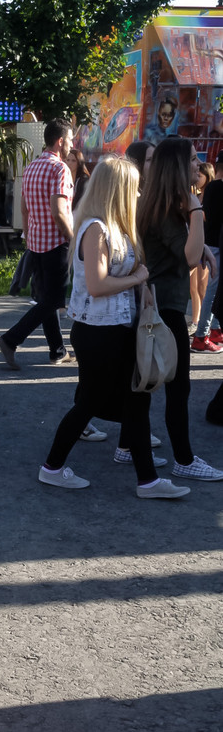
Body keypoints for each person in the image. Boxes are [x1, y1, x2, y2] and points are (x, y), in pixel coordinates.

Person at [38, 155, 189, 500]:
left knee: (136, 401)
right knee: (90, 402)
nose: (139, 194)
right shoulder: (96, 228)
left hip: (116, 328)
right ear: (118, 190)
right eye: (134, 188)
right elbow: (97, 284)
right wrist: (137, 278)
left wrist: (142, 287)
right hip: (97, 331)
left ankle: (148, 481)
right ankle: (52, 467)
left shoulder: (114, 227)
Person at [138, 136, 223, 482]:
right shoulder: (168, 209)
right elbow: (188, 256)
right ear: (176, 166)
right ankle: (184, 460)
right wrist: (197, 208)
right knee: (175, 387)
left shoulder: (161, 203)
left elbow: (189, 251)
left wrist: (203, 249)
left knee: (145, 383)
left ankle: (129, 445)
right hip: (165, 308)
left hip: (160, 303)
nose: (198, 164)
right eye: (191, 159)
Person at [0, 118, 75, 369]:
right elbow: (59, 211)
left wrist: (30, 238)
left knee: (46, 299)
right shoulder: (60, 168)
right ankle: (10, 340)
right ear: (60, 141)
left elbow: (24, 208)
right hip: (57, 243)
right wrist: (73, 240)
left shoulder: (32, 167)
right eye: (70, 140)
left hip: (36, 243)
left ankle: (57, 351)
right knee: (52, 301)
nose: (72, 145)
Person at [194, 150, 223, 352]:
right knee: (212, 291)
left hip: (210, 242)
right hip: (217, 244)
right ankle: (201, 335)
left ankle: (214, 329)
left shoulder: (211, 187)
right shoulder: (217, 187)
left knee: (213, 290)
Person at [189, 161, 215, 335]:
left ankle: (202, 322)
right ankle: (195, 320)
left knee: (202, 286)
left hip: (205, 244)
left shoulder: (209, 196)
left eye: (200, 175)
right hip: (195, 242)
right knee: (193, 286)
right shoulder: (195, 196)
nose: (197, 178)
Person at [67, 147, 90, 211]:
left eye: (73, 160)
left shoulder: (83, 180)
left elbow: (79, 202)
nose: (69, 163)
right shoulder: (65, 178)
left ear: (79, 163)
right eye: (68, 160)